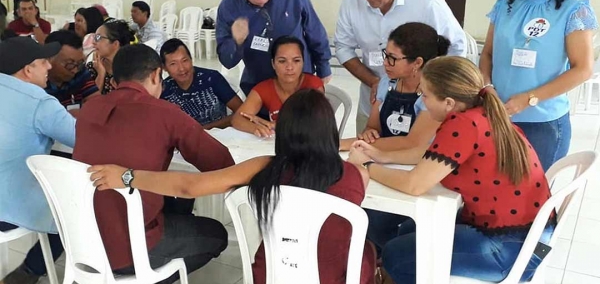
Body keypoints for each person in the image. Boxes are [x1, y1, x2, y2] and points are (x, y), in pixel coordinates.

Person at [88, 89, 376, 284]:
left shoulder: (265, 166)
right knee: (370, 248)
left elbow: (190, 185)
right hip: (336, 278)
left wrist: (127, 176)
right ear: (330, 132)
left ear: (285, 131)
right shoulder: (353, 174)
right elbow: (355, 179)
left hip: (272, 274)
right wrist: (359, 161)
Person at [349, 56, 555, 283]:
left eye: (425, 95)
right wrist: (382, 156)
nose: (422, 101)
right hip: (533, 237)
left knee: (395, 255)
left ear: (448, 102)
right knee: (407, 229)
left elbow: (414, 184)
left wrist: (365, 167)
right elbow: (435, 156)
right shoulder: (483, 113)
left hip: (514, 249)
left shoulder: (463, 124)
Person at [72, 44, 233, 283]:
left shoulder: (89, 108)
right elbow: (220, 163)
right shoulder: (165, 112)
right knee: (216, 234)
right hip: (127, 249)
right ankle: (149, 277)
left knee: (175, 203)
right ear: (157, 74)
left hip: (82, 240)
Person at [479, 0, 597, 172]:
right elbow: (488, 53)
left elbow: (582, 69)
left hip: (541, 126)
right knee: (489, 197)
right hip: (496, 116)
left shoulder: (574, 11)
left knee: (527, 201)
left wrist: (529, 98)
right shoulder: (506, 3)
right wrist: (487, 86)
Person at [335, 0, 466, 135]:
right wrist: (374, 82)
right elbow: (342, 48)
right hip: (372, 104)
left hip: (424, 109)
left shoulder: (428, 4)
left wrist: (429, 85)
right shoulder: (351, 3)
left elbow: (456, 50)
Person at [0, 37, 74, 284]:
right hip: (6, 210)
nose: (50, 67)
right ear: (27, 69)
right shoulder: (39, 102)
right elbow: (83, 140)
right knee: (74, 207)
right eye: (44, 62)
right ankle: (31, 271)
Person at [217, 0, 332, 98]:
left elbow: (314, 30)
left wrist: (323, 67)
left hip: (300, 84)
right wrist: (236, 42)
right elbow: (227, 61)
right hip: (260, 89)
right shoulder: (229, 6)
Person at [340, 22, 449, 151]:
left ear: (417, 62)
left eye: (392, 58)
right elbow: (373, 127)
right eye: (385, 55)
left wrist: (345, 144)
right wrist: (369, 132)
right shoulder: (387, 82)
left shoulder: (436, 94)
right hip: (383, 157)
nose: (385, 63)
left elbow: (412, 143)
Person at [231, 35, 324, 137]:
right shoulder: (264, 88)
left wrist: (273, 124)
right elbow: (237, 119)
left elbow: (316, 123)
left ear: (303, 62)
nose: (289, 67)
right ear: (273, 64)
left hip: (310, 146)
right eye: (282, 61)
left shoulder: (313, 85)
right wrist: (255, 127)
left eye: (296, 60)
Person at [160, 38, 243, 128]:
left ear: (191, 59)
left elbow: (242, 111)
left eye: (185, 60)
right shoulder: (164, 90)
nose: (181, 69)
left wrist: (203, 130)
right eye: (173, 64)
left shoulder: (211, 78)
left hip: (218, 136)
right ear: (164, 68)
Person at [44, 30, 99, 111]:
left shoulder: (81, 73)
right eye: (70, 64)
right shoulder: (36, 84)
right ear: (49, 59)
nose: (75, 70)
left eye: (79, 63)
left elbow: (96, 104)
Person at [87, 19, 135, 94]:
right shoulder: (93, 67)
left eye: (98, 38)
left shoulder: (133, 69)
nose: (93, 42)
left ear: (115, 44)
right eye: (94, 37)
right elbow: (91, 102)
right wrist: (101, 74)